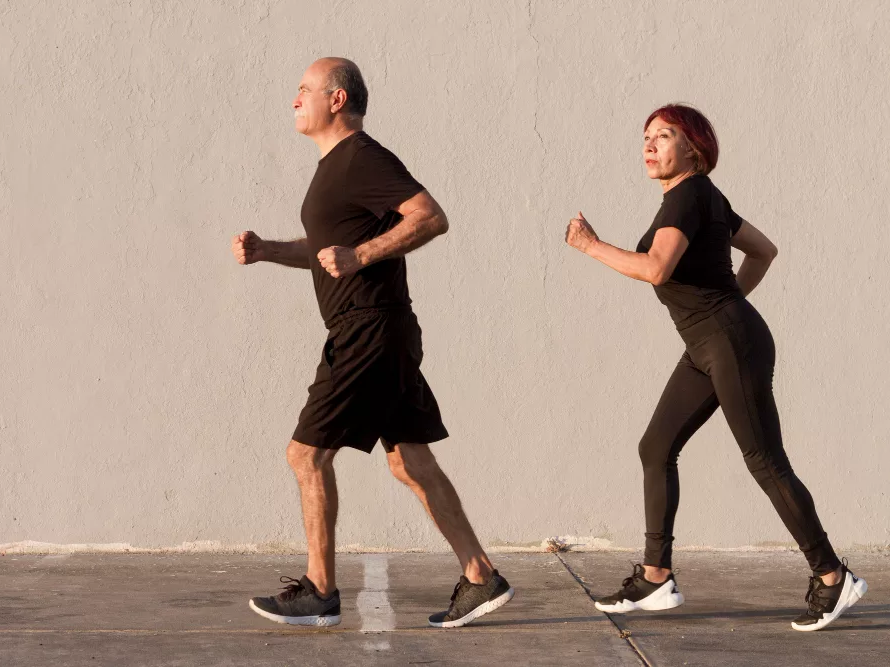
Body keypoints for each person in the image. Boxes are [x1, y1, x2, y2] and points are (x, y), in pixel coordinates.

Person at [232, 57, 513, 628]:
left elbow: (431, 217)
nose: (295, 99)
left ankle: (320, 590)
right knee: (409, 461)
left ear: (337, 100)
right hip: (378, 327)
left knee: (305, 453)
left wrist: (361, 255)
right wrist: (267, 250)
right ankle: (481, 576)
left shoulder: (362, 158)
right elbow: (324, 251)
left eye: (305, 90)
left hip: (369, 328)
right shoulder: (334, 168)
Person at [564, 104, 866, 632]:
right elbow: (764, 251)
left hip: (726, 342)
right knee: (656, 447)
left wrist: (591, 246)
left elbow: (656, 268)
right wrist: (729, 308)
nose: (650, 144)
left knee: (765, 461)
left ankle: (833, 576)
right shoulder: (701, 198)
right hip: (711, 341)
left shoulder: (689, 193)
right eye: (646, 136)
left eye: (665, 135)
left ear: (694, 149)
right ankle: (656, 577)